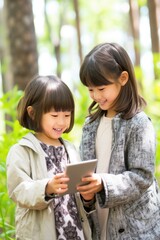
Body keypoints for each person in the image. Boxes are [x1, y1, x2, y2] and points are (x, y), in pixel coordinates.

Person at [77, 43, 160, 240]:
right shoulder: (90, 125)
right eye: (90, 89)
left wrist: (103, 183)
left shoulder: (139, 123)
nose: (96, 96)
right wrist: (86, 196)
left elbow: (142, 176)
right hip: (100, 225)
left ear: (123, 78)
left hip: (136, 230)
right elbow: (86, 172)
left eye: (101, 88)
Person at [6, 75, 93, 240]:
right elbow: (18, 190)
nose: (61, 122)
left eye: (67, 115)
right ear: (32, 113)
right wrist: (47, 187)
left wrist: (87, 197)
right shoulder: (22, 151)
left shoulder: (71, 149)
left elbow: (77, 197)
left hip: (75, 233)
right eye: (54, 116)